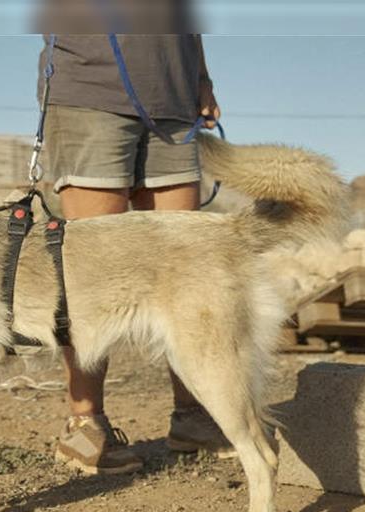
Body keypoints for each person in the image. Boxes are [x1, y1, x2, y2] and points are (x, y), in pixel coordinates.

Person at [38, 34, 237, 475]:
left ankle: (194, 417)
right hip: (92, 90)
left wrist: (201, 78)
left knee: (185, 269)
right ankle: (84, 424)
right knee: (93, 273)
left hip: (174, 99)